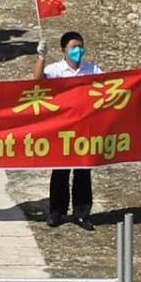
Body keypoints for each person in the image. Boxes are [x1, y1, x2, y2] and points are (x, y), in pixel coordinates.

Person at [35, 31, 102, 231]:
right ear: (64, 49)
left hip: (84, 127)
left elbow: (110, 85)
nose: (78, 50)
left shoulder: (92, 69)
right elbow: (37, 81)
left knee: (83, 171)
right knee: (60, 171)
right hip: (61, 127)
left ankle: (82, 214)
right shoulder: (56, 70)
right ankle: (56, 212)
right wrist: (40, 57)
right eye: (73, 46)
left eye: (80, 46)